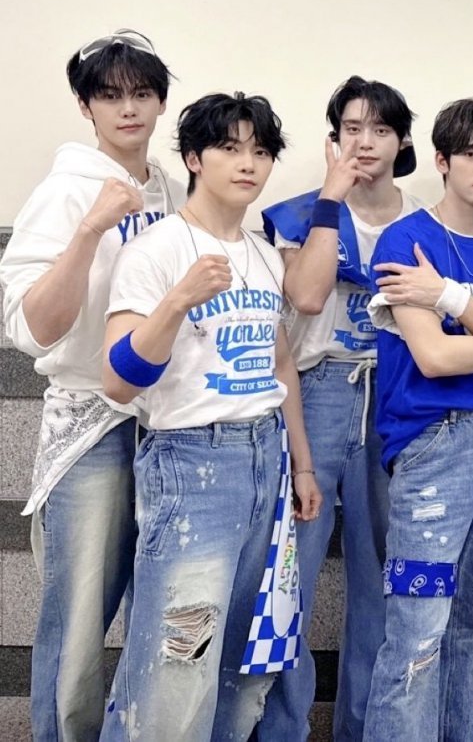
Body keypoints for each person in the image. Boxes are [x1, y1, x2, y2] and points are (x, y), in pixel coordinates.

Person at [98, 91, 322, 741]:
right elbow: (118, 378)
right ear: (194, 158)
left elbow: (281, 365)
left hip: (267, 460)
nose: (248, 163)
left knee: (245, 664)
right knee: (177, 664)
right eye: (229, 147)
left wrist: (302, 464)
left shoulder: (265, 252)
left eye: (261, 151)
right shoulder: (157, 248)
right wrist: (177, 301)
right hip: (192, 464)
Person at [0, 29, 183, 741]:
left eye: (141, 93)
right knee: (77, 621)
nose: (127, 108)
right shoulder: (65, 191)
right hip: (92, 425)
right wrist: (88, 231)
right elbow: (31, 328)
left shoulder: (173, 191)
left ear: (161, 101)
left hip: (170, 425)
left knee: (161, 616)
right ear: (86, 106)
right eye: (110, 95)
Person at [362, 98, 473, 741]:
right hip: (433, 445)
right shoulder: (405, 240)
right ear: (441, 160)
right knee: (417, 632)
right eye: (470, 153)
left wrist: (446, 296)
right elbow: (434, 357)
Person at [259, 76, 426, 740]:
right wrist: (331, 199)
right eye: (352, 128)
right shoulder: (300, 213)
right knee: (290, 573)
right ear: (333, 138)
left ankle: (365, 727)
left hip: (397, 392)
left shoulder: (424, 221)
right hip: (317, 389)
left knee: (382, 576)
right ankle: (283, 728)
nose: (365, 142)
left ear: (403, 141)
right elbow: (304, 297)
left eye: (380, 129)